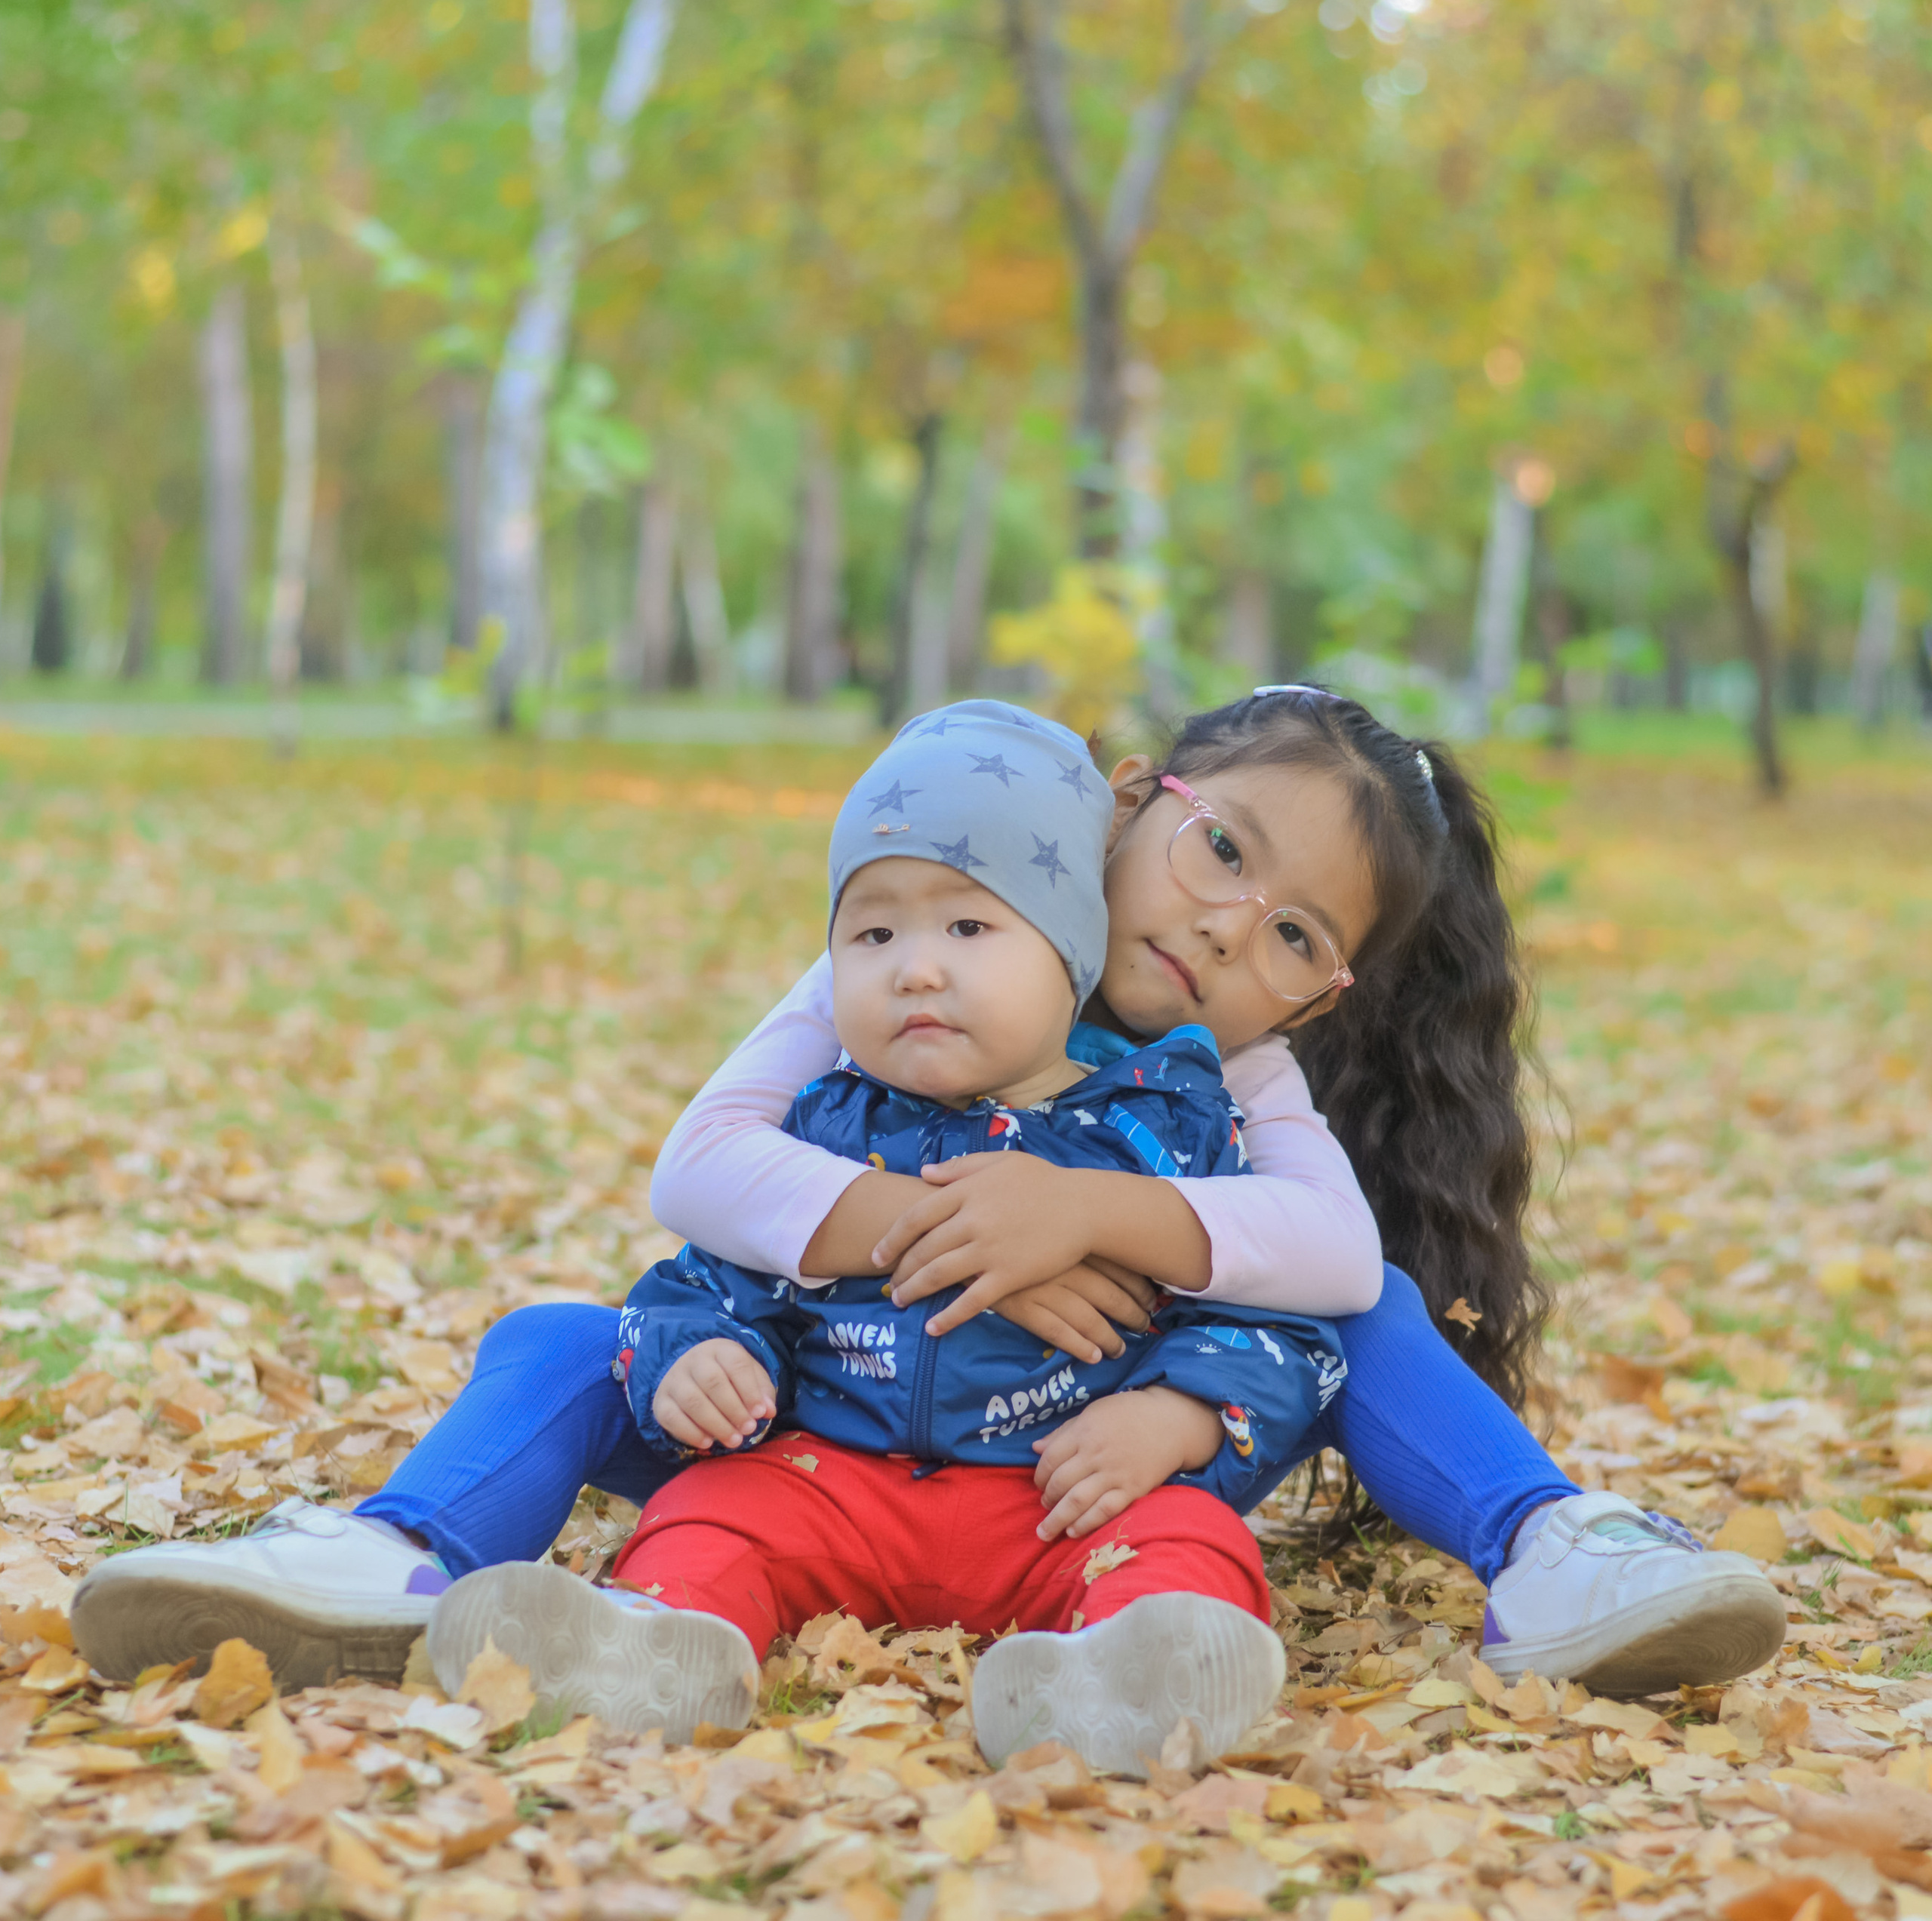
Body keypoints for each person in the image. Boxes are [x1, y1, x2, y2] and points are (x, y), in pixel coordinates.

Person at [72, 688, 1785, 1707]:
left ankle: (1551, 1548)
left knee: (1377, 1315)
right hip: (816, 1420)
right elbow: (699, 1164)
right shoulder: (924, 943)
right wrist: (954, 1226)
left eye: (1291, 934)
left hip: (1095, 1454)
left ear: (1320, 996)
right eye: (1223, 850)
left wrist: (1087, 1218)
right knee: (556, 1339)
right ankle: (394, 1554)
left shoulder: (1239, 1074)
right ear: (1137, 800)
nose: (1223, 925)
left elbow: (1331, 1254)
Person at [428, 702, 1345, 1772]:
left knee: (1189, 1540)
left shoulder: (1164, 1129)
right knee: (711, 1511)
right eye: (873, 936)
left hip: (1058, 1494)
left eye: (969, 930)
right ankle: (653, 1642)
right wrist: (701, 1354)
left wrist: (1178, 1415)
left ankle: (1123, 1681)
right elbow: (708, 1277)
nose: (915, 968)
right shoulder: (822, 1122)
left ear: (1073, 954)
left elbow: (1274, 1322)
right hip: (830, 1476)